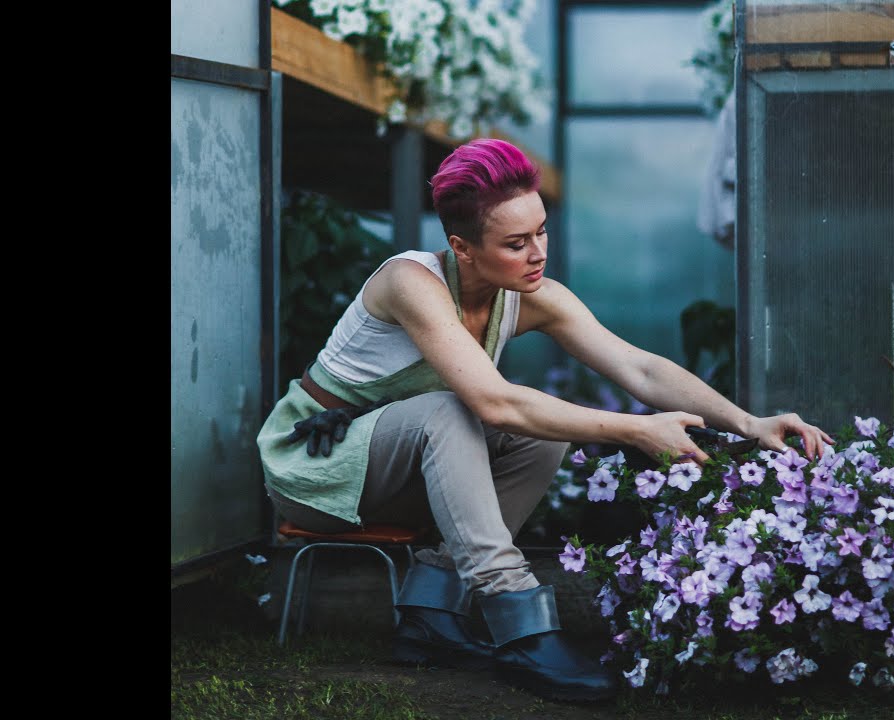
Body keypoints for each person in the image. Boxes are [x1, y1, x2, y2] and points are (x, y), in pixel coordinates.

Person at [257, 138, 833, 702]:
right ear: (462, 247)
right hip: (316, 470)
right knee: (458, 409)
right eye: (515, 243)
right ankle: (522, 627)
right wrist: (633, 429)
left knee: (537, 434)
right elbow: (492, 403)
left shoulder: (531, 295)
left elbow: (639, 368)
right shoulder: (409, 283)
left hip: (395, 476)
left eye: (541, 231)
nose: (537, 253)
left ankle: (431, 610)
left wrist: (747, 423)